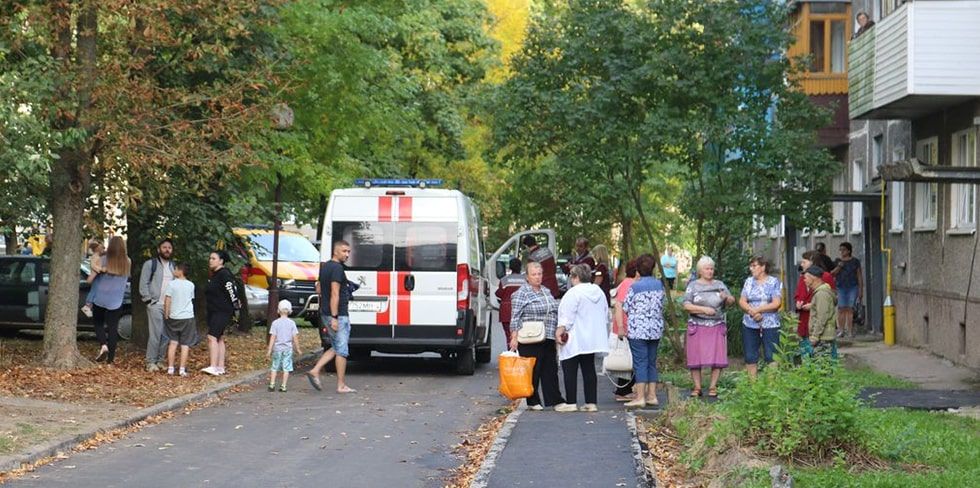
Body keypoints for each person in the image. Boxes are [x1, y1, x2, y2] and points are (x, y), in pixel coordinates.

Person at [508, 261, 567, 411]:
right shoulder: (522, 293)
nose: (537, 277)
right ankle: (533, 400)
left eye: (539, 274)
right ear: (527, 277)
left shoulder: (546, 291)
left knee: (550, 368)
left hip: (547, 334)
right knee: (533, 369)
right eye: (533, 274)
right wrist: (514, 337)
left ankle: (555, 400)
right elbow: (515, 316)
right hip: (530, 336)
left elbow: (554, 310)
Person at [555, 264, 610, 412]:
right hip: (592, 337)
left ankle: (571, 402)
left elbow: (566, 316)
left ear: (576, 277)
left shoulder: (573, 293)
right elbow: (605, 312)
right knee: (589, 369)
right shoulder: (598, 291)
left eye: (571, 277)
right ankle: (591, 402)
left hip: (575, 337)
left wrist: (560, 331)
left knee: (569, 368)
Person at [307, 240, 357, 394]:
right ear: (335, 251)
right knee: (342, 350)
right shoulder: (337, 269)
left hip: (325, 313)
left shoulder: (326, 266)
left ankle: (315, 370)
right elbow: (335, 293)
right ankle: (341, 385)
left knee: (336, 347)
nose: (347, 254)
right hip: (338, 315)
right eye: (344, 251)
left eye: (348, 251)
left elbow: (319, 288)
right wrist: (335, 317)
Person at [682, 256, 735, 398]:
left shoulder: (719, 284)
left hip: (716, 325)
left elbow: (731, 301)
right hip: (697, 326)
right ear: (700, 270)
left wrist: (727, 298)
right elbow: (686, 305)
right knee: (695, 357)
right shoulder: (693, 286)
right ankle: (697, 387)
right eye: (707, 268)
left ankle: (713, 387)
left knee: (717, 357)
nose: (710, 271)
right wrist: (704, 310)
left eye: (711, 268)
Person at [622, 254, 667, 408]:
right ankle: (652, 396)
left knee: (640, 362)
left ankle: (640, 397)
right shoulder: (659, 285)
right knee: (651, 362)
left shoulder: (635, 287)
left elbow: (626, 307)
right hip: (655, 328)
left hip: (638, 329)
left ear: (638, 270)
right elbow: (663, 304)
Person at [738, 256, 783, 379]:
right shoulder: (749, 281)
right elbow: (742, 301)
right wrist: (751, 311)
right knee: (750, 355)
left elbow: (776, 303)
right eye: (750, 266)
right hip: (749, 323)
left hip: (770, 323)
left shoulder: (773, 282)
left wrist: (758, 310)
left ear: (763, 267)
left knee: (771, 355)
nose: (751, 269)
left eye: (754, 266)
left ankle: (770, 387)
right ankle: (753, 387)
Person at [89, 237, 130, 365]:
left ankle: (103, 345)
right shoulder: (128, 261)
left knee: (98, 323)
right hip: (116, 300)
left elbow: (91, 279)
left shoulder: (103, 260)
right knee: (113, 329)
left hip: (100, 297)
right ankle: (110, 360)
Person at [139, 238, 176, 372]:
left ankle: (160, 360)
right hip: (155, 304)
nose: (167, 250)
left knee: (166, 335)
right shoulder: (150, 264)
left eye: (169, 248)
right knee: (155, 334)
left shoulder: (174, 266)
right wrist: (148, 301)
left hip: (169, 306)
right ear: (158, 249)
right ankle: (150, 362)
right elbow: (143, 283)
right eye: (164, 247)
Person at [202, 250, 240, 376]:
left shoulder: (224, 274)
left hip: (222, 310)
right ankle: (220, 366)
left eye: (213, 258)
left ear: (221, 261)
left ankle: (213, 366)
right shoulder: (215, 275)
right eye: (210, 258)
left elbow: (231, 290)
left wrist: (235, 307)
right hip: (214, 310)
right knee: (219, 338)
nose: (210, 260)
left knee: (212, 337)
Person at [794, 250, 836, 353]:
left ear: (812, 261)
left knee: (821, 357)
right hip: (805, 320)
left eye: (804, 262)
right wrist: (798, 303)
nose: (801, 264)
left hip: (820, 327)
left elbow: (829, 300)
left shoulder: (824, 277)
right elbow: (798, 294)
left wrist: (813, 305)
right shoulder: (803, 277)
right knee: (806, 352)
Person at [163, 262, 197, 376]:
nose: (174, 270)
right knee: (185, 344)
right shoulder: (191, 285)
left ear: (180, 271)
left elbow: (168, 300)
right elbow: (190, 299)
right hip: (187, 317)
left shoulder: (171, 284)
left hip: (174, 317)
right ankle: (182, 369)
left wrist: (166, 313)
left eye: (175, 269)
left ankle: (170, 368)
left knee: (173, 343)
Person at [612, 259, 638, 401]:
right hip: (625, 326)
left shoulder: (626, 282)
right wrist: (621, 327)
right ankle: (623, 391)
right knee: (627, 359)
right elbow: (619, 306)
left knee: (627, 358)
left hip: (626, 325)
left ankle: (623, 389)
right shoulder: (629, 284)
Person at [267, 299, 302, 392]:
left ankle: (272, 384)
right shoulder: (292, 323)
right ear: (290, 311)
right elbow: (295, 337)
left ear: (278, 310)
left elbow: (273, 337)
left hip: (277, 349)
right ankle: (283, 386)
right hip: (288, 349)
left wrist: (269, 350)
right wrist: (298, 349)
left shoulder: (275, 323)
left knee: (274, 366)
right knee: (286, 368)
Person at [804, 267, 838, 359]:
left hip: (823, 337)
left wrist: (815, 336)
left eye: (806, 277)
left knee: (822, 366)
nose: (804, 280)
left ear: (813, 278)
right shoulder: (821, 292)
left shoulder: (821, 294)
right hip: (823, 336)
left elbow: (822, 317)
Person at [831, 242, 863, 338]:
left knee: (850, 309)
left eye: (844, 250)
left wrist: (861, 290)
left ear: (849, 251)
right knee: (841, 308)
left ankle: (849, 330)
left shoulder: (855, 261)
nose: (841, 252)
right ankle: (841, 330)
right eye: (840, 250)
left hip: (852, 287)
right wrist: (839, 266)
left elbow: (859, 276)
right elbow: (832, 273)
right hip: (841, 287)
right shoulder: (837, 261)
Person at [495, 258, 526, 346]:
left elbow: (499, 294)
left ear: (510, 267)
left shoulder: (504, 280)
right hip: (522, 311)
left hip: (506, 311)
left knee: (509, 335)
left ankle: (511, 354)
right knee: (522, 335)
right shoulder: (526, 280)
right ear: (520, 267)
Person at [522, 235, 560, 299]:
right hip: (554, 286)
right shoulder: (547, 251)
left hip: (543, 289)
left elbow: (532, 276)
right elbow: (554, 267)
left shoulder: (532, 258)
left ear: (526, 246)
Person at [80, 240, 106, 319]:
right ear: (97, 248)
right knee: (94, 290)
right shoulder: (95, 256)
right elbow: (93, 265)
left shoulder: (97, 256)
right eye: (101, 247)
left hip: (98, 276)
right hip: (96, 275)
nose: (103, 249)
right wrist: (100, 269)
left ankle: (89, 305)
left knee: (96, 291)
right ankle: (87, 305)